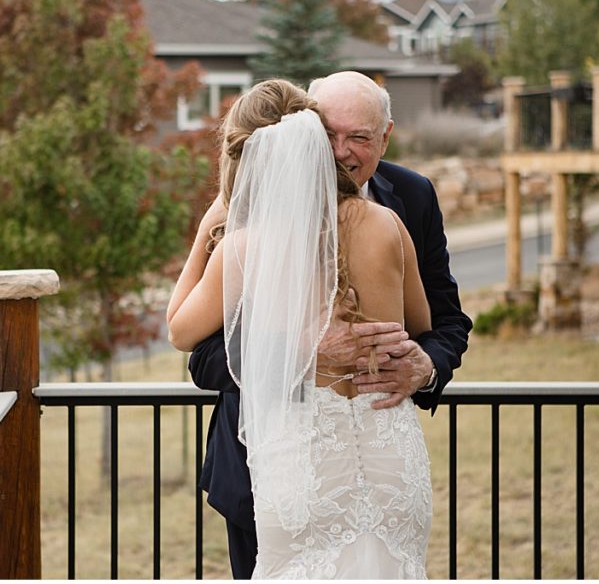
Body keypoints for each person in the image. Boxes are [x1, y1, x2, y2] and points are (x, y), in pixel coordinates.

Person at [168, 76, 470, 578]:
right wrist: (300, 353)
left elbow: (179, 332)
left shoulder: (245, 245)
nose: (342, 151)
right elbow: (419, 320)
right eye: (330, 135)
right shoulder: (385, 225)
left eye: (360, 137)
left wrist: (424, 366)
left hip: (299, 466)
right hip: (384, 454)